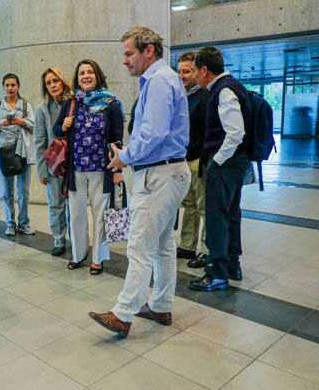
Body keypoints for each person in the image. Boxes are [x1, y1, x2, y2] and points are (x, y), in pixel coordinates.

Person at [88, 26, 190, 337]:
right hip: (170, 171)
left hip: (160, 173)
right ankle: (160, 305)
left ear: (149, 51)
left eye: (129, 53)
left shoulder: (159, 80)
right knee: (162, 246)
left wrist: (125, 156)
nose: (125, 61)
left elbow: (154, 133)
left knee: (140, 246)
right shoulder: (163, 78)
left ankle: (123, 313)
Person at [189, 46, 252, 291]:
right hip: (235, 163)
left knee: (216, 216)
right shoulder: (231, 86)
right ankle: (232, 265)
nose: (194, 76)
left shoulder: (224, 90)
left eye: (194, 71)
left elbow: (235, 133)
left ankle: (217, 273)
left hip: (226, 163)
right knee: (231, 213)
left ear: (205, 70)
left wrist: (217, 160)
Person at [53, 59, 124, 275]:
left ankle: (98, 259)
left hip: (101, 170)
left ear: (98, 76)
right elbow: (56, 130)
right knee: (76, 216)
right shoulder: (71, 103)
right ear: (77, 78)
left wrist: (118, 171)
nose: (86, 76)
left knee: (100, 216)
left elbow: (117, 139)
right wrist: (63, 126)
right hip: (76, 171)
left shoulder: (111, 104)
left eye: (90, 72)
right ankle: (79, 254)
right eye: (82, 72)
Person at [176, 52, 210, 269]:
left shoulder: (206, 96)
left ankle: (207, 251)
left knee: (204, 206)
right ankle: (188, 245)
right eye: (179, 71)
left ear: (196, 72)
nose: (182, 76)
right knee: (188, 205)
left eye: (186, 71)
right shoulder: (180, 97)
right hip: (182, 159)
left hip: (200, 159)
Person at [33, 67, 73, 256]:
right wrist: (42, 171)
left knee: (75, 206)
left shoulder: (74, 103)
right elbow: (39, 141)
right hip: (54, 166)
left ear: (63, 81)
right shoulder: (42, 109)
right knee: (56, 205)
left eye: (55, 81)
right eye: (48, 83)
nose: (52, 85)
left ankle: (77, 240)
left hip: (75, 165)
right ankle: (58, 240)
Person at [0, 73, 36, 236]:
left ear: (18, 86)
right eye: (7, 85)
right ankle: (10, 223)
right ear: (3, 87)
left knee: (24, 191)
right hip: (4, 151)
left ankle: (24, 223)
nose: (10, 88)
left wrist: (22, 121)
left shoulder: (26, 106)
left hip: (23, 151)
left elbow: (34, 127)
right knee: (7, 191)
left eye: (13, 85)